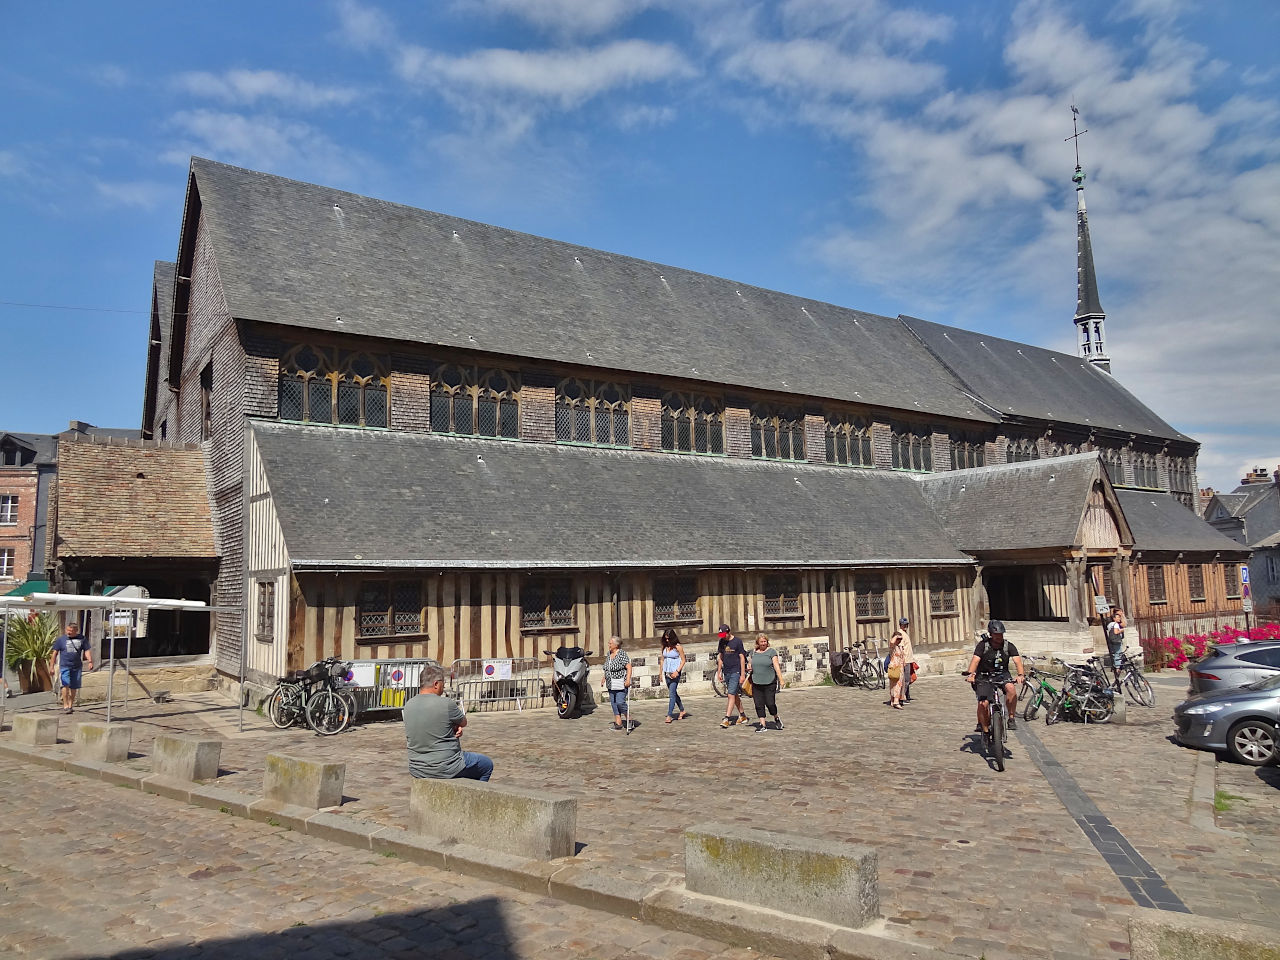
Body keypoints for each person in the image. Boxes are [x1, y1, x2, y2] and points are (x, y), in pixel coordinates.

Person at [403, 663, 493, 781]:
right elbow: (463, 722)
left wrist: (452, 727)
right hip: (445, 765)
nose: (443, 687)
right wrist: (456, 726)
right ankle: (476, 796)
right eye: (443, 683)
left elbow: (428, 727)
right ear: (436, 684)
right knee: (486, 765)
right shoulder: (446, 703)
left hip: (417, 766)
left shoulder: (408, 705)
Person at [965, 620, 1026, 736]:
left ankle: (1011, 718)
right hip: (984, 675)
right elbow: (975, 660)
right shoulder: (983, 645)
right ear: (991, 634)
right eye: (996, 635)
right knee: (983, 703)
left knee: (1011, 689)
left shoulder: (1008, 646)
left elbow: (1017, 661)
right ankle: (985, 730)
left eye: (1001, 634)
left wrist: (1020, 675)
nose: (999, 637)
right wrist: (971, 674)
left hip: (1002, 673)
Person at [49, 620, 94, 714]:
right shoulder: (61, 640)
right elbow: (54, 654)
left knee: (74, 686)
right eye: (67, 630)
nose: (68, 632)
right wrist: (51, 667)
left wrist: (90, 661)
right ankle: (65, 705)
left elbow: (86, 650)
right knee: (65, 684)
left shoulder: (82, 639)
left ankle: (70, 705)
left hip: (77, 666)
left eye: (71, 630)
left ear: (76, 631)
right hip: (65, 665)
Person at [746, 633, 784, 731]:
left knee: (770, 703)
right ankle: (762, 725)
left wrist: (781, 679)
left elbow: (776, 666)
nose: (763, 643)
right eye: (761, 642)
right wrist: (749, 666)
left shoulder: (771, 652)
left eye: (765, 641)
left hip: (769, 682)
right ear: (757, 642)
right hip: (756, 682)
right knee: (758, 704)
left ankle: (776, 717)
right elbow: (750, 663)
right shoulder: (753, 653)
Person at [716, 623, 749, 728]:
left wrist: (742, 674)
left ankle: (727, 718)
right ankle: (743, 715)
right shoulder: (722, 642)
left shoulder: (737, 642)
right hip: (727, 671)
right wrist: (719, 671)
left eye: (724, 635)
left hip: (736, 671)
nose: (723, 637)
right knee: (734, 694)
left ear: (728, 632)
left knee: (730, 694)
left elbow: (742, 658)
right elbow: (721, 657)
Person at [599, 635, 632, 730]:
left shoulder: (621, 654)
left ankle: (629, 718)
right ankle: (618, 723)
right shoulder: (609, 654)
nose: (608, 645)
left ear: (616, 645)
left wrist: (628, 679)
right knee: (613, 703)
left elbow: (629, 667)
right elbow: (607, 667)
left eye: (610, 643)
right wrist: (604, 677)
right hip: (610, 683)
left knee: (620, 702)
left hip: (620, 682)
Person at [660, 628, 687, 722]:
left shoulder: (678, 647)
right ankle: (682, 710)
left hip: (675, 673)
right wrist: (660, 673)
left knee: (671, 694)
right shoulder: (664, 647)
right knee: (674, 693)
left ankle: (669, 715)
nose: (667, 641)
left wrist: (677, 671)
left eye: (669, 639)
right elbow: (662, 660)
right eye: (666, 639)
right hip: (666, 672)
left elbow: (683, 660)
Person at [890, 616, 915, 704]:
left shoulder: (904, 634)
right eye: (903, 625)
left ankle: (905, 696)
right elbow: (900, 648)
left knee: (907, 679)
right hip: (904, 660)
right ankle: (901, 697)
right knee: (905, 680)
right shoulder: (900, 634)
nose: (905, 626)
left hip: (908, 659)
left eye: (906, 625)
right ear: (900, 625)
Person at [1105, 607, 1127, 679]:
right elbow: (1116, 632)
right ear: (1114, 618)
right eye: (1118, 617)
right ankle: (1118, 668)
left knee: (1114, 653)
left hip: (1111, 640)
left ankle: (1114, 666)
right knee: (1118, 653)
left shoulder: (1110, 624)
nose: (1119, 618)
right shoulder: (1116, 624)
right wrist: (1121, 631)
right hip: (1116, 640)